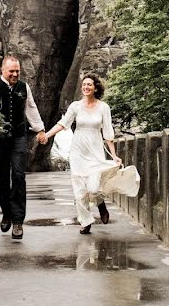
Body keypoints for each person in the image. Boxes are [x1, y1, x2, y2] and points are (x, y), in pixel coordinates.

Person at [44, 73, 125, 234]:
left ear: (95, 88)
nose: (86, 87)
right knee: (79, 188)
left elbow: (108, 132)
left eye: (89, 85)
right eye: (84, 85)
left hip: (95, 150)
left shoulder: (103, 107)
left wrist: (114, 155)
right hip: (78, 151)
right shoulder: (76, 106)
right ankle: (85, 221)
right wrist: (47, 135)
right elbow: (63, 123)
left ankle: (100, 202)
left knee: (94, 187)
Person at [0, 55, 46, 240]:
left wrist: (40, 130)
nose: (15, 74)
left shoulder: (24, 87)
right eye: (12, 71)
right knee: (2, 178)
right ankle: (6, 213)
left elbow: (31, 108)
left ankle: (18, 221)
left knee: (18, 175)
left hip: (18, 136)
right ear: (3, 70)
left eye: (17, 71)